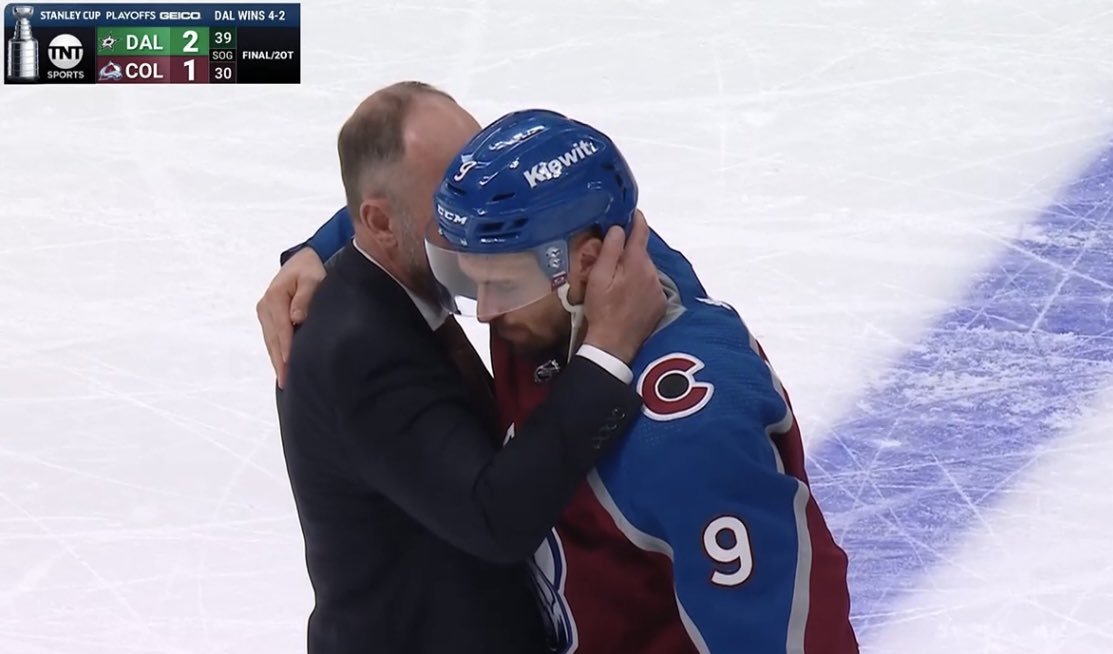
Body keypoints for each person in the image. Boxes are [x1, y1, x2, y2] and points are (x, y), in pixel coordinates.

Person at [264, 108, 859, 653]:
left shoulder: (687, 435)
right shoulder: (540, 288)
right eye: (470, 276)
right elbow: (429, 198)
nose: (485, 312)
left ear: (588, 262)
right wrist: (315, 251)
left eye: (501, 283)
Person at [272, 83, 666, 654]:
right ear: (381, 225)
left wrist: (311, 246)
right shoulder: (357, 351)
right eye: (451, 202)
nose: (479, 209)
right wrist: (606, 351)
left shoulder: (406, 271)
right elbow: (494, 517)